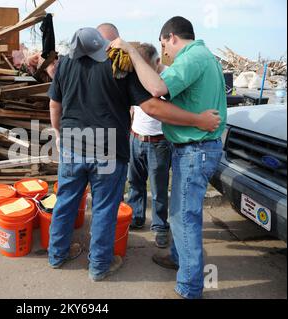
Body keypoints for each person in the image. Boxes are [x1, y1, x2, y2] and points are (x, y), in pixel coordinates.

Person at [47, 27, 221, 282]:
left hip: (73, 145)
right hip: (108, 150)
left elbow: (55, 103)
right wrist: (197, 120)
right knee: (104, 210)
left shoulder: (66, 63)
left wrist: (59, 133)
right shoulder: (120, 64)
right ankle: (98, 267)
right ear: (110, 40)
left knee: (65, 201)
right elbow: (151, 106)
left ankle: (56, 255)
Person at [110, 16, 227, 298]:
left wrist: (132, 52)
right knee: (183, 212)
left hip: (195, 150)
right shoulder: (204, 56)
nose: (165, 54)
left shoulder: (192, 56)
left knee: (183, 216)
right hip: (196, 148)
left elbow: (158, 89)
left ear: (171, 37)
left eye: (164, 46)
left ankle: (189, 287)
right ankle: (178, 257)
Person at [127, 43, 171, 250]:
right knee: (135, 182)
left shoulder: (169, 79)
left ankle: (161, 227)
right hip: (136, 138)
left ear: (158, 62)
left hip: (159, 142)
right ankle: (136, 217)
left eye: (146, 67)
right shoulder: (137, 74)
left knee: (159, 188)